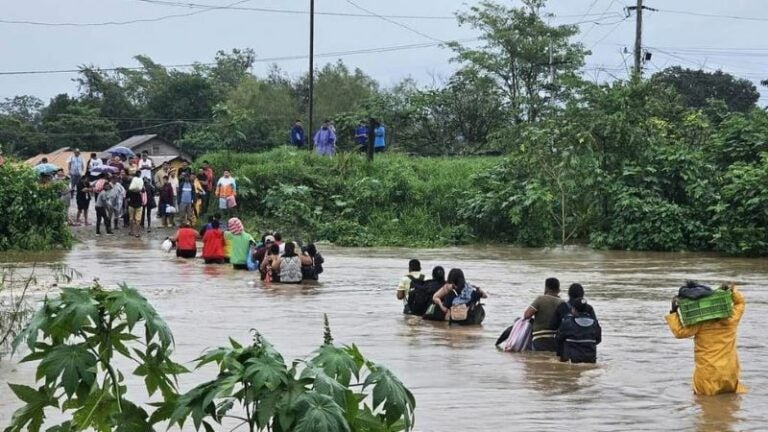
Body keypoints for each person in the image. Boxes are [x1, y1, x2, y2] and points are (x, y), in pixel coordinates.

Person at [666, 285, 746, 396]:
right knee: (731, 404)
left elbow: (679, 333)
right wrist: (732, 291)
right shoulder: (731, 319)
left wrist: (673, 312)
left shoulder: (699, 324)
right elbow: (740, 304)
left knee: (704, 405)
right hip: (730, 371)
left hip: (708, 373)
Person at [552, 283, 598, 358]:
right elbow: (597, 332)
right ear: (582, 294)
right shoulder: (589, 308)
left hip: (567, 351)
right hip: (588, 351)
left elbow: (553, 326)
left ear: (569, 294)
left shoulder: (562, 307)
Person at [523, 277, 565, 352]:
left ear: (546, 288)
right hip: (555, 340)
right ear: (558, 290)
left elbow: (527, 315)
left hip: (540, 338)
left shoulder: (540, 299)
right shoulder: (562, 303)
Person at [556, 298, 602, 363]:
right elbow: (598, 340)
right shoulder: (595, 324)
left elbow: (558, 339)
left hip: (572, 360)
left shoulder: (568, 323)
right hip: (590, 359)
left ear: (574, 310)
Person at [126, 173, 144, 238]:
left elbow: (127, 198)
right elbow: (144, 191)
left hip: (131, 205)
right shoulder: (140, 189)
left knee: (131, 219)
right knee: (138, 219)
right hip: (139, 205)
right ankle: (137, 233)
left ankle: (131, 231)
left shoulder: (130, 189)